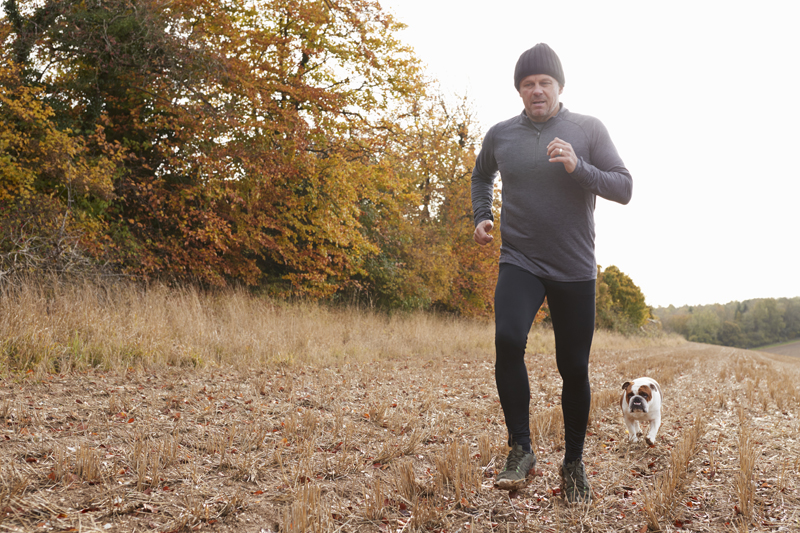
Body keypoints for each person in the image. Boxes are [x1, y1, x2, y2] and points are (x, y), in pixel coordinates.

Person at [471, 43, 632, 503]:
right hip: (520, 258)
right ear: (519, 90)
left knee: (573, 367)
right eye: (527, 84)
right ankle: (520, 448)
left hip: (574, 266)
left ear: (560, 87)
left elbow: (624, 186)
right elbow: (481, 176)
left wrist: (579, 168)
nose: (536, 90)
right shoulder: (501, 135)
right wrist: (482, 213)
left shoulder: (588, 129)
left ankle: (574, 463)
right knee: (507, 340)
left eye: (544, 83)